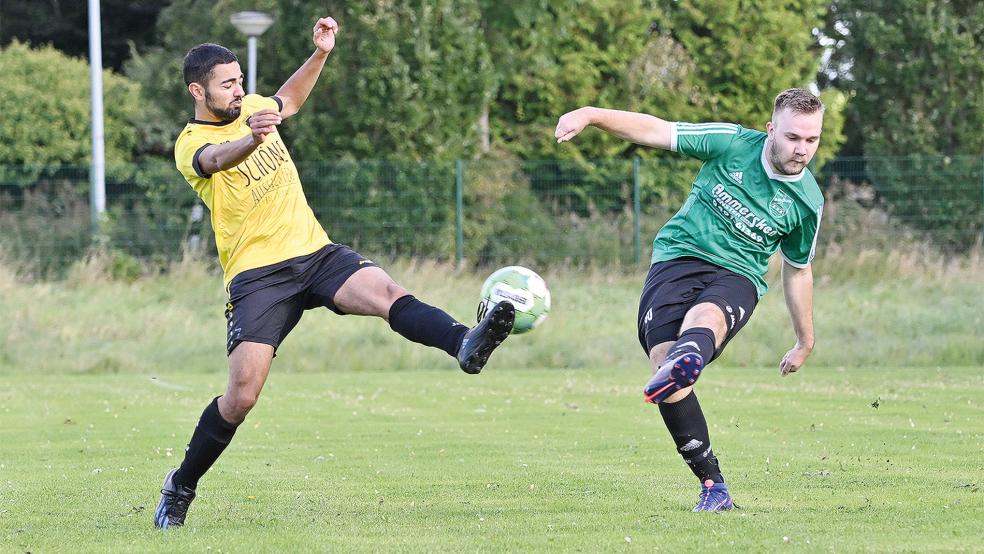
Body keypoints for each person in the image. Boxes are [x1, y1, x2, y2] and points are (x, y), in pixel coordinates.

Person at [154, 17, 515, 529]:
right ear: (198, 90)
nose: (239, 91)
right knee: (242, 396)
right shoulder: (189, 142)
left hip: (315, 252)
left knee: (386, 292)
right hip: (259, 276)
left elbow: (289, 101)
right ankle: (182, 484)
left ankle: (465, 342)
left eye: (239, 80)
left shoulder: (255, 108)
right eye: (227, 85)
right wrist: (252, 141)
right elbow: (216, 158)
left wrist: (320, 53)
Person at [554, 89, 823, 512]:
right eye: (793, 138)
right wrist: (589, 114)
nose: (802, 150)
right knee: (664, 367)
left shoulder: (807, 203)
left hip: (739, 275)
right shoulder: (732, 143)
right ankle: (713, 484)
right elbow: (656, 130)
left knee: (707, 315)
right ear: (771, 129)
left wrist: (804, 340)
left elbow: (798, 270)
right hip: (678, 258)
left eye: (812, 140)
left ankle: (689, 354)